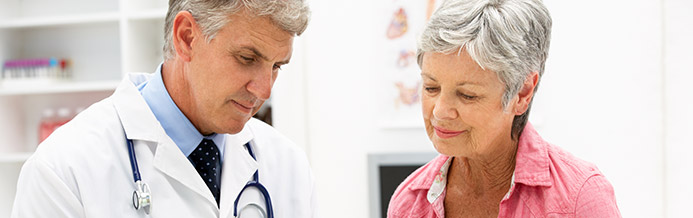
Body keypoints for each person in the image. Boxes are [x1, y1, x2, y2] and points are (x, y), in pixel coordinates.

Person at [12, 0, 315, 217]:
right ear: (186, 37)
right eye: (247, 58)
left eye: (276, 66)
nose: (264, 90)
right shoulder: (64, 170)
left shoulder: (287, 165)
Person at [387, 0, 621, 217]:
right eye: (430, 87)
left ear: (522, 93)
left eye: (467, 95)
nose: (439, 111)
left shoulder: (580, 198)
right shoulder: (408, 202)